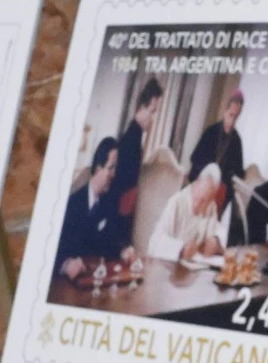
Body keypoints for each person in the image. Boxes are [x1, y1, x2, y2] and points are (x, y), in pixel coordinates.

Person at [108, 77, 163, 252]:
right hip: (119, 213)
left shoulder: (135, 135)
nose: (153, 119)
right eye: (152, 111)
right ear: (143, 106)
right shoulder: (131, 138)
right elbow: (123, 186)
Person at [55, 137, 121, 279]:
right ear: (98, 169)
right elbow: (53, 249)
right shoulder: (71, 204)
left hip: (94, 278)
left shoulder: (110, 203)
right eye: (111, 167)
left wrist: (124, 250)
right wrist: (65, 265)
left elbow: (111, 241)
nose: (114, 174)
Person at [189, 88, 246, 245]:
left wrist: (225, 182)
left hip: (221, 197)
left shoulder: (237, 141)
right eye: (231, 115)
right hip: (202, 191)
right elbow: (195, 159)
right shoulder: (211, 132)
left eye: (236, 117)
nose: (232, 121)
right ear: (225, 111)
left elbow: (239, 174)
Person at [147, 162, 224, 262]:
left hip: (194, 268)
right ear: (195, 185)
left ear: (211, 199)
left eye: (203, 202)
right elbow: (154, 243)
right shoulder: (177, 202)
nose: (197, 205)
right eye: (196, 198)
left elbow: (218, 232)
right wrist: (181, 249)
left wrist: (216, 242)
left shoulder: (211, 207)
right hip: (168, 267)